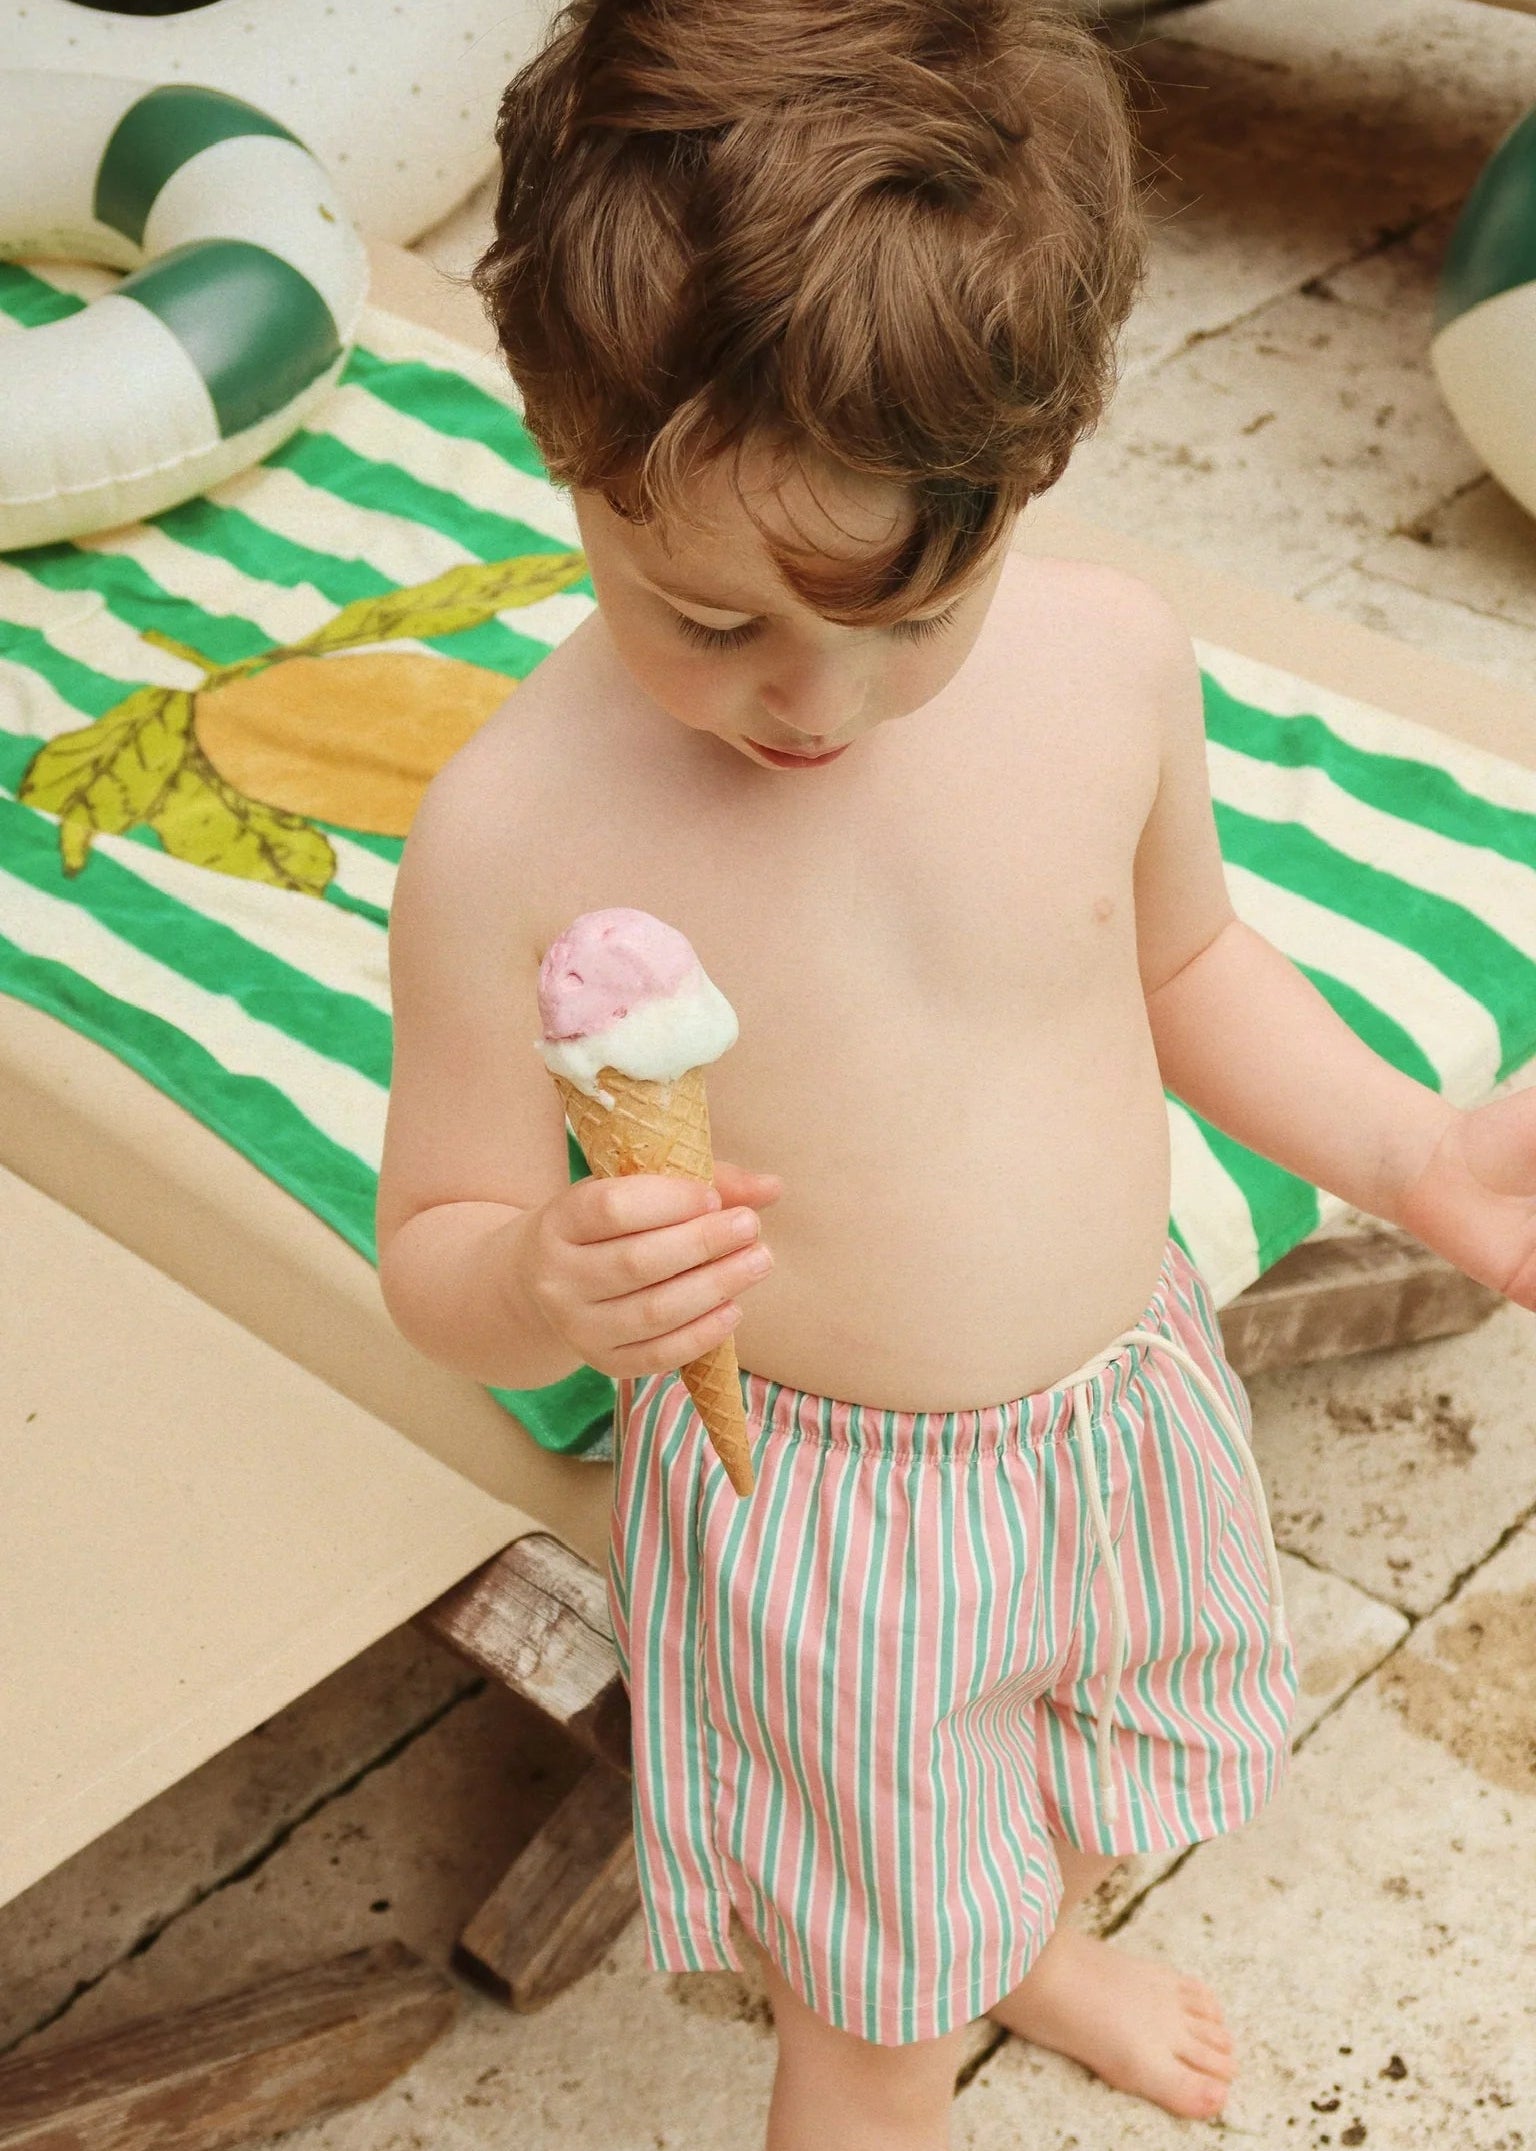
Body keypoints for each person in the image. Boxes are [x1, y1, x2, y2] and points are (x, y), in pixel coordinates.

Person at [375, 3, 1536, 2143]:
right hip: (830, 1529)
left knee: (1074, 1767)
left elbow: (1182, 957)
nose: (819, 700)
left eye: (922, 601)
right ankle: (939, 1995)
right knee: (867, 2033)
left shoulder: (1106, 665)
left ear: (1044, 459)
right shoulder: (517, 833)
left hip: (1125, 1412)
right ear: (565, 446)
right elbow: (434, 1248)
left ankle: (1036, 1928)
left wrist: (1418, 1144)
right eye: (706, 615)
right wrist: (542, 1273)